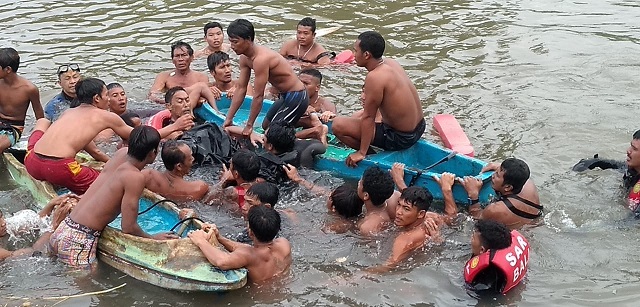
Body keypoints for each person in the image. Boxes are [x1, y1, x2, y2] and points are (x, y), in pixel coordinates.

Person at [25, 78, 191, 194]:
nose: (109, 100)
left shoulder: (69, 111)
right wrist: (175, 127)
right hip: (59, 169)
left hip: (32, 162)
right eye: (107, 96)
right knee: (110, 184)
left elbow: (93, 150)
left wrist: (109, 163)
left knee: (42, 124)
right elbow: (140, 138)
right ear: (97, 98)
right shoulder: (105, 116)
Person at [48, 126, 179, 267]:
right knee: (88, 285)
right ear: (153, 153)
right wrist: (153, 238)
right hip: (79, 240)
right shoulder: (135, 177)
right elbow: (128, 227)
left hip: (64, 228)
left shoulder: (121, 154)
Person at [331, 31, 425, 167]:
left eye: (355, 51)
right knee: (357, 116)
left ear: (367, 55)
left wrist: (361, 151)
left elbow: (368, 117)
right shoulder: (391, 63)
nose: (353, 54)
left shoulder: (375, 77)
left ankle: (369, 155)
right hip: (420, 127)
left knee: (338, 124)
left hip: (401, 138)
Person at [222, 19, 309, 136]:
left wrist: (249, 125)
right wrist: (228, 118)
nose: (232, 46)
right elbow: (241, 89)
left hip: (297, 96)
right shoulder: (244, 58)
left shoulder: (261, 59)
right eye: (231, 42)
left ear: (248, 40)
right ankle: (298, 121)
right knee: (265, 126)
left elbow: (258, 96)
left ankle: (315, 130)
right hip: (283, 96)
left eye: (235, 42)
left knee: (272, 136)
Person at [188, 205, 292, 284]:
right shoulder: (284, 244)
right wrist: (220, 238)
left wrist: (200, 241)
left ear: (250, 233)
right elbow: (249, 249)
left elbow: (222, 262)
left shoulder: (248, 255)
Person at [456, 158, 542, 230]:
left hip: (523, 230)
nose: (492, 175)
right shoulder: (528, 184)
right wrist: (497, 166)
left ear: (508, 187)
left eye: (497, 175)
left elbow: (475, 218)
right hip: (536, 219)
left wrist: (473, 195)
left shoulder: (496, 210)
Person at [0, 195, 77, 262]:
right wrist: (53, 226)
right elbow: (35, 253)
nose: (3, 223)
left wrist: (51, 204)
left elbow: (37, 221)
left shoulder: (6, 225)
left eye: (1, 217)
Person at [465, 220, 530, 295]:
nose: (471, 239)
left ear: (482, 250)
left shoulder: (482, 282)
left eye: (473, 237)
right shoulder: (506, 245)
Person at [0, 47, 44, 152]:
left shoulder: (29, 89)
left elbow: (39, 114)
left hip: (14, 128)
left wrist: (42, 134)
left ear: (8, 70)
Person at [383, 186, 440, 267]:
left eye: (406, 209)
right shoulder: (433, 218)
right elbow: (452, 218)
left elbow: (390, 266)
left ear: (421, 214)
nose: (398, 212)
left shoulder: (404, 240)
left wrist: (363, 273)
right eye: (398, 204)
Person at [148, 41, 216, 105]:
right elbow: (153, 95)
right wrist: (170, 103)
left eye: (184, 55)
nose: (180, 59)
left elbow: (203, 97)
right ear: (173, 60)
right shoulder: (164, 76)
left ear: (192, 58)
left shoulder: (201, 77)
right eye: (177, 56)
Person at [142, 140, 210, 202]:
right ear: (179, 166)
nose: (193, 159)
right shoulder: (198, 188)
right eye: (190, 158)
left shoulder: (148, 176)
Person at [295, 69, 334, 144]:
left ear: (317, 88)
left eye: (306, 83)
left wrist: (328, 114)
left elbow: (333, 125)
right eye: (299, 82)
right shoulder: (293, 99)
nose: (301, 86)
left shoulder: (325, 105)